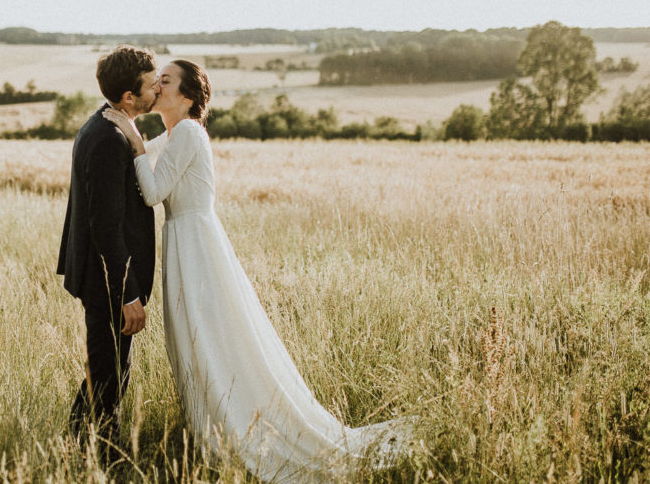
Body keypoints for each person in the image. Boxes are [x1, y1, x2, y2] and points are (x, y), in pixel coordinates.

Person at [103, 59, 412, 482]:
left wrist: (134, 140)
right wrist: (129, 138)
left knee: (211, 338)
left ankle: (235, 430)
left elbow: (153, 191)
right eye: (158, 81)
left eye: (167, 81)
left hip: (196, 245)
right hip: (184, 243)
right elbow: (140, 172)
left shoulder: (189, 132)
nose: (157, 86)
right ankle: (214, 428)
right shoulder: (175, 134)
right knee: (197, 340)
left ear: (188, 97)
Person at [57, 45, 161, 451]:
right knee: (110, 374)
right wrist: (128, 293)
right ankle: (105, 458)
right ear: (129, 97)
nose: (158, 90)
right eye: (152, 85)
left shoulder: (106, 125)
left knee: (106, 369)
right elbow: (105, 227)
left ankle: (77, 446)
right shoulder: (108, 140)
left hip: (102, 276)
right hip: (106, 281)